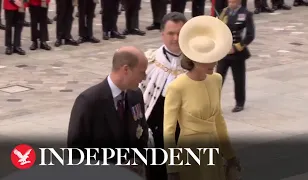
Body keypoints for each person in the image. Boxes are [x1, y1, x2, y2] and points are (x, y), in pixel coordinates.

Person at [163, 15, 241, 180]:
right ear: (195, 60)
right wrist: (172, 169)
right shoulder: (177, 87)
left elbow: (219, 120)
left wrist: (230, 155)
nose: (214, 63)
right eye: (208, 60)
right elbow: (169, 132)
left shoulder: (216, 79)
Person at [67, 46, 149, 178]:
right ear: (126, 70)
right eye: (141, 72)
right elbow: (76, 151)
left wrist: (136, 160)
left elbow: (142, 131)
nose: (144, 77)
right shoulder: (89, 101)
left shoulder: (135, 95)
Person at [138, 12, 187, 180]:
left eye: (180, 33)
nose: (175, 38)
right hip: (155, 131)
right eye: (171, 33)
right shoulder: (148, 61)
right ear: (162, 35)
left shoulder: (196, 63)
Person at [216, 0, 255, 112]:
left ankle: (239, 102)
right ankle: (213, 102)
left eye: (233, 2)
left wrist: (237, 47)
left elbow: (250, 35)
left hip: (237, 52)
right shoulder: (225, 12)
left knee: (238, 79)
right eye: (229, 1)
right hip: (224, 51)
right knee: (218, 78)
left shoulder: (246, 13)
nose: (231, 4)